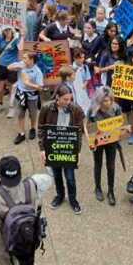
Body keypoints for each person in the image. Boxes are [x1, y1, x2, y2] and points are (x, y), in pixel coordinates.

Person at [38, 85, 86, 215]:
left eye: (70, 99)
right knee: (57, 174)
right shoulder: (46, 108)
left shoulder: (75, 109)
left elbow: (78, 132)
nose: (68, 102)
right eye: (65, 99)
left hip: (69, 147)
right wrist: (42, 149)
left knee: (70, 177)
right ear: (57, 97)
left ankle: (73, 199)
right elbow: (41, 128)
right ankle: (59, 196)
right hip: (53, 146)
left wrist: (78, 151)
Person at [88, 88, 127, 205]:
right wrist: (91, 142)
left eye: (109, 100)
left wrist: (122, 133)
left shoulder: (116, 108)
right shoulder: (92, 110)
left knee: (111, 165)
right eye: (105, 101)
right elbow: (89, 127)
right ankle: (98, 188)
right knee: (98, 164)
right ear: (99, 100)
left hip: (112, 142)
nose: (108, 103)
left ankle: (111, 191)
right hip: (98, 142)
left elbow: (121, 123)